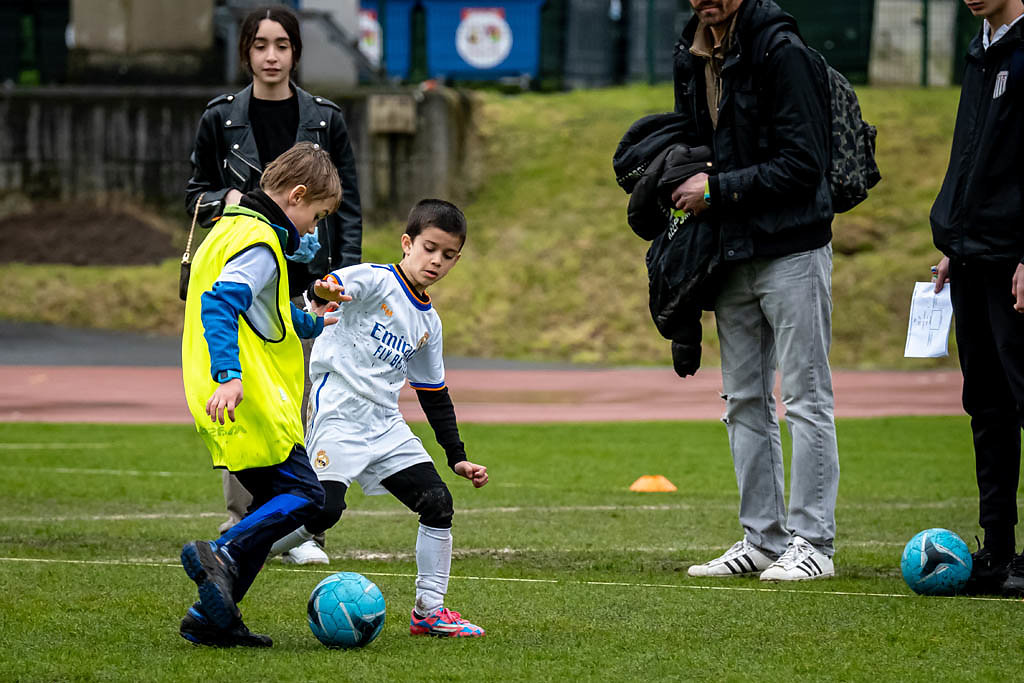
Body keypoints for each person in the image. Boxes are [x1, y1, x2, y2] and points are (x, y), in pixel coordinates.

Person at [184, 4, 363, 563]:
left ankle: (302, 531)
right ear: (246, 52)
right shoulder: (220, 117)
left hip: (308, 285)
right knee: (244, 400)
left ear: (295, 52)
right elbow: (194, 196)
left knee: (306, 400)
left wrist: (343, 276)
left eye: (281, 44)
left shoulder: (326, 118)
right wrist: (234, 202)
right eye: (260, 44)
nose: (270, 55)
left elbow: (347, 207)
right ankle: (244, 521)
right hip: (250, 273)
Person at [670, 0, 840, 581]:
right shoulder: (691, 52)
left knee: (805, 399)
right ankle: (763, 540)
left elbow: (805, 163)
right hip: (731, 252)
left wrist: (717, 189)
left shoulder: (782, 50)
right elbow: (696, 142)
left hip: (793, 247)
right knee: (742, 401)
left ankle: (814, 542)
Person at [269, 199, 489, 637]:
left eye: (448, 255)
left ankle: (429, 612)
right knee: (323, 511)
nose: (436, 261)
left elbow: (434, 394)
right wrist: (320, 294)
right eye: (429, 248)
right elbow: (327, 287)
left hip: (386, 425)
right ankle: (245, 549)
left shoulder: (428, 322)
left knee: (437, 504)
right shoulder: (374, 280)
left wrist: (457, 456)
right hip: (338, 415)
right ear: (407, 243)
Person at [178, 142, 348, 647]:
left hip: (224, 394)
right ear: (296, 196)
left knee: (272, 502)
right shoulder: (259, 242)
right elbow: (220, 304)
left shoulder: (231, 229)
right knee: (306, 496)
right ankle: (222, 552)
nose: (314, 231)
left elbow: (263, 310)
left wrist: (308, 320)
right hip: (247, 397)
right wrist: (230, 374)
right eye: (316, 217)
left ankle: (212, 620)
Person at [930, 0, 1024, 596]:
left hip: (1014, 261)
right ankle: (996, 550)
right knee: (986, 408)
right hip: (972, 257)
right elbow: (971, 156)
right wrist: (955, 242)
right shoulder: (980, 50)